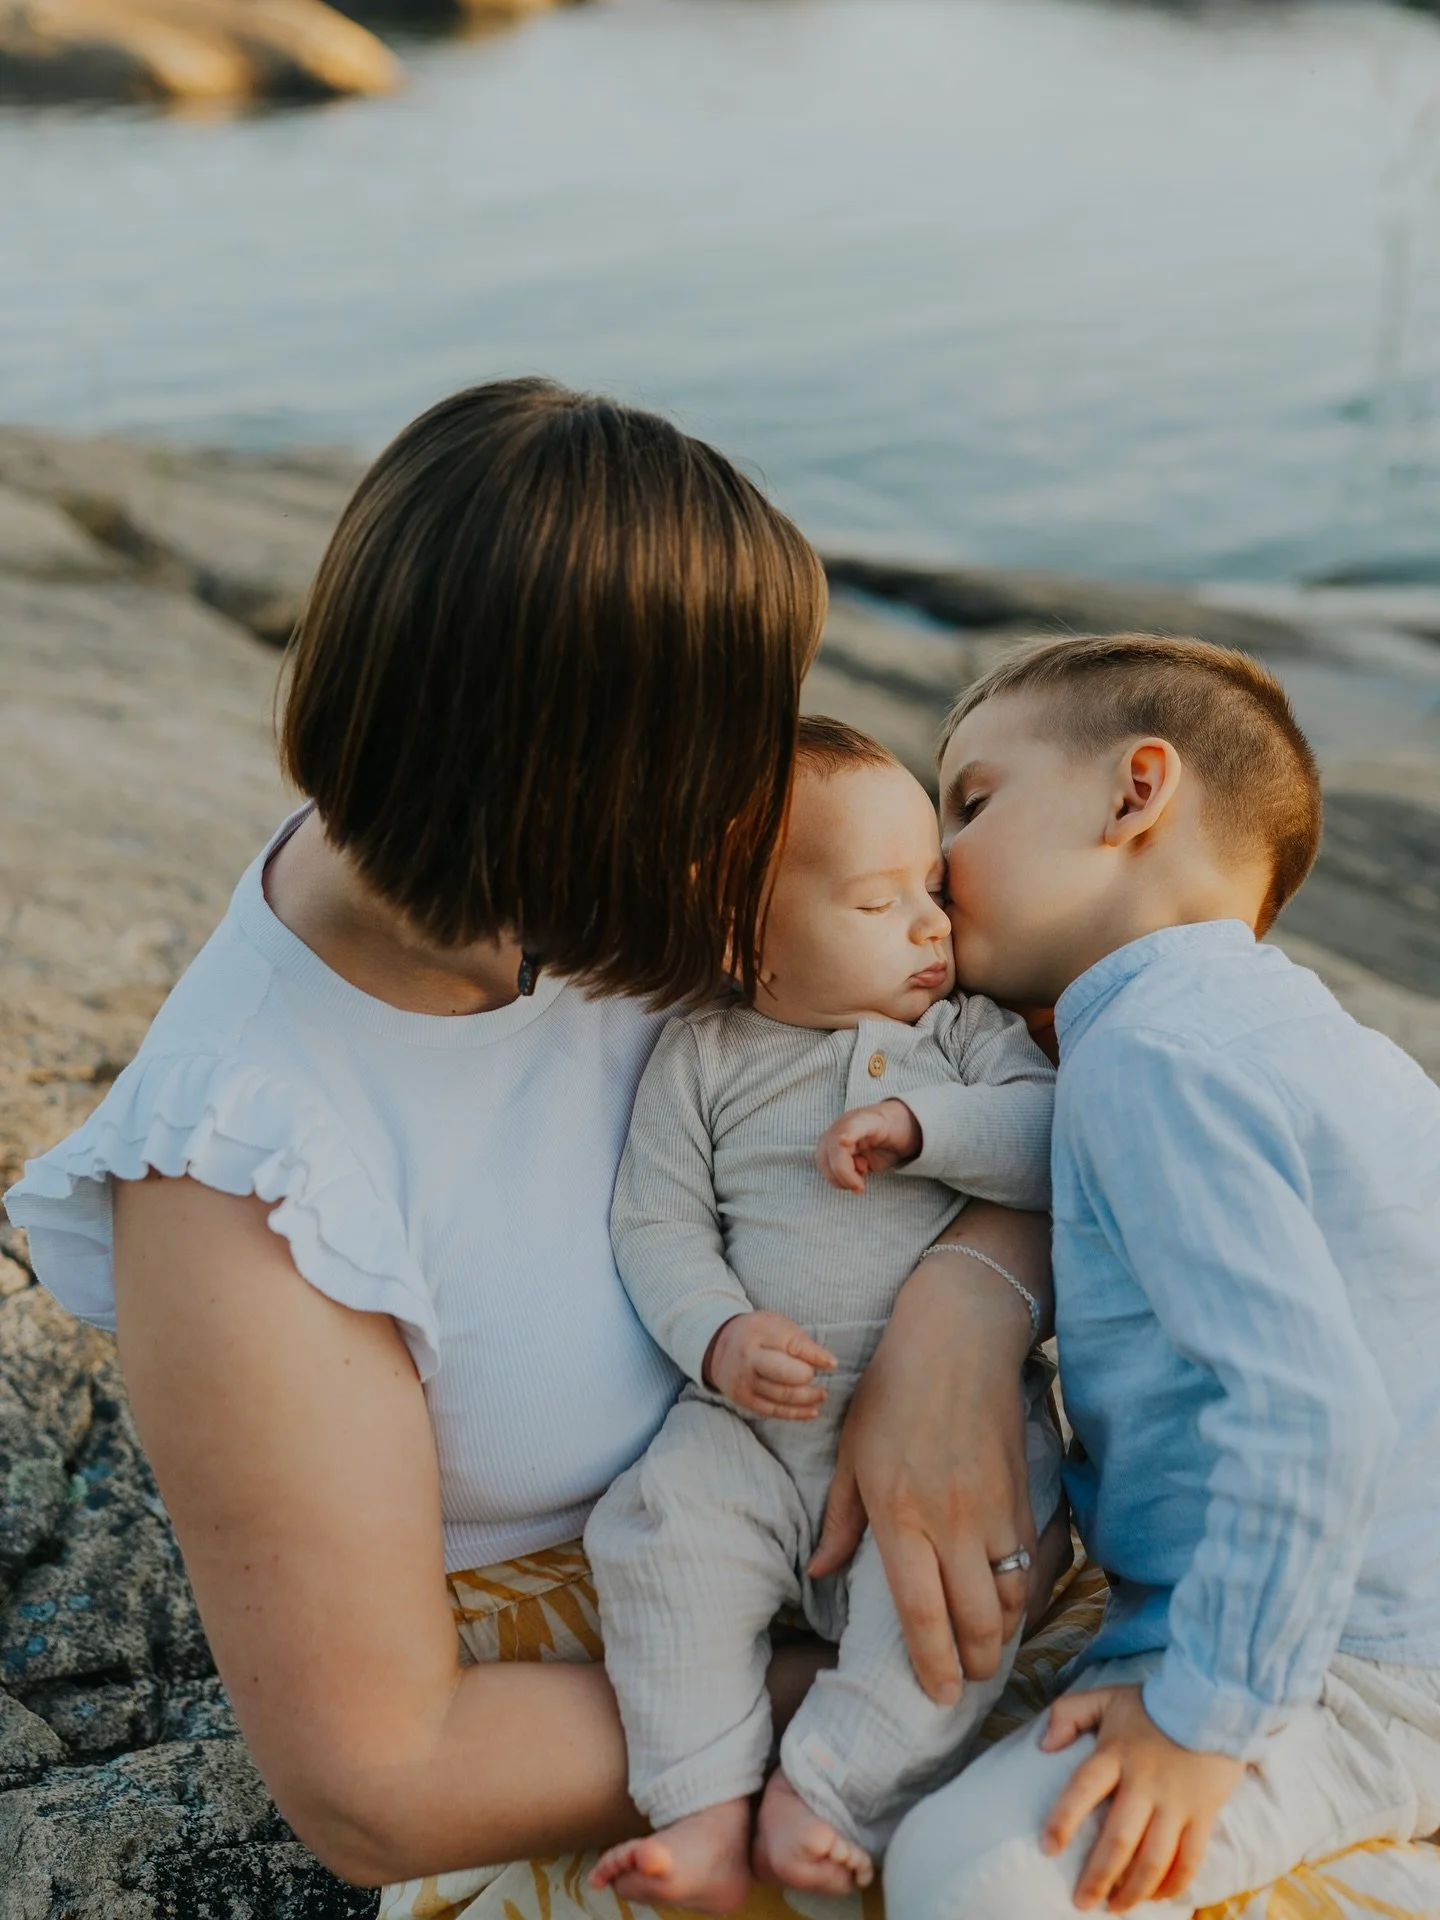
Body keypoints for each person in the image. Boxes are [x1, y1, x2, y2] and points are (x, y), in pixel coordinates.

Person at [3, 379, 1061, 1898]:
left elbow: (1044, 1080)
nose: (761, 776)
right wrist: (902, 1712)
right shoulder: (247, 1175)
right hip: (682, 1722)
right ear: (585, 784)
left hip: (916, 1556)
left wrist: (963, 1319)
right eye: (723, 739)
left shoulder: (665, 880)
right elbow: (385, 1781)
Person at [884, 633, 1440, 1919]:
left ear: (1137, 793)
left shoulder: (1151, 1055)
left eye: (971, 803)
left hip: (1341, 1654)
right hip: (1372, 1605)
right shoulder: (1313, 1036)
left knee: (970, 1879)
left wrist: (1205, 1719)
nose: (936, 863)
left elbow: (1312, 1410)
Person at [586, 717, 1060, 1912]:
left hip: (957, 1433)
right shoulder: (703, 1055)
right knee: (657, 1542)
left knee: (960, 1604)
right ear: (745, 939)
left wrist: (922, 1127)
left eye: (933, 888)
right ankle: (698, 1804)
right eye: (878, 901)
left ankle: (833, 1788)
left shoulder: (969, 1036)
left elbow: (1052, 1142)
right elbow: (657, 1224)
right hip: (751, 1428)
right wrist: (720, 1335)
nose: (933, 924)